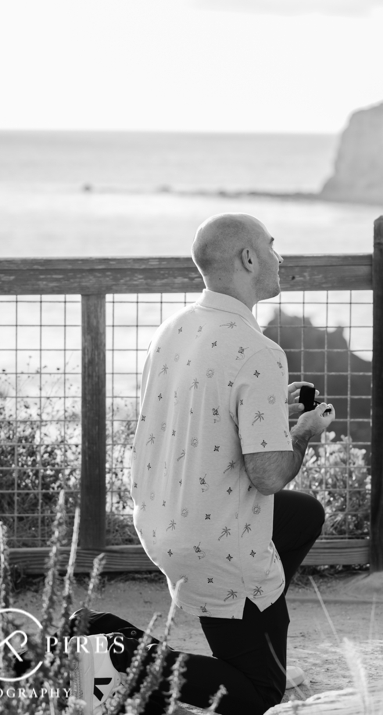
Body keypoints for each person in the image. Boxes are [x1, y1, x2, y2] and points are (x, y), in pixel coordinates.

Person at [83, 213, 334, 715]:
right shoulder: (260, 351)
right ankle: (104, 643)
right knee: (260, 695)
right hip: (215, 541)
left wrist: (270, 415)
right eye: (272, 245)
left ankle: (255, 626)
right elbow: (267, 476)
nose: (279, 256)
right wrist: (303, 435)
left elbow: (203, 421)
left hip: (164, 520)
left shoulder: (172, 329)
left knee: (302, 515)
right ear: (248, 258)